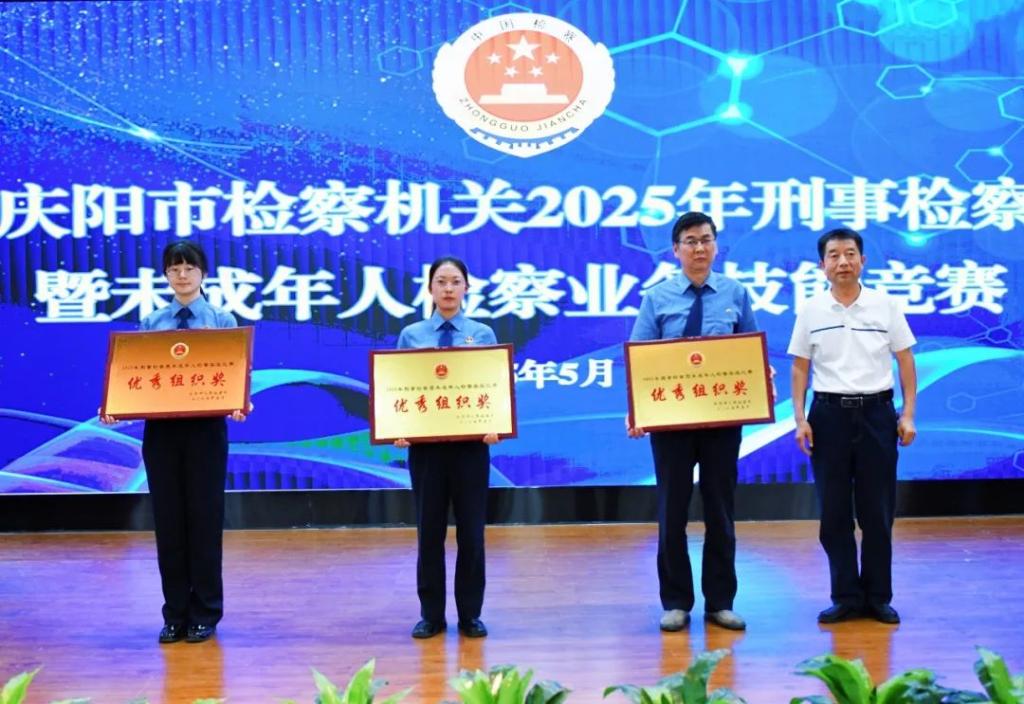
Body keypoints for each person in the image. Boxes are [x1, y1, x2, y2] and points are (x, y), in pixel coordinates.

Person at [101, 241, 249, 644]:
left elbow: (236, 373)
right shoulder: (152, 321)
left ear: (203, 273)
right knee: (168, 522)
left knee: (204, 520)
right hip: (162, 433)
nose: (182, 276)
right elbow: (135, 377)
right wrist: (115, 406)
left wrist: (239, 401)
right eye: (174, 269)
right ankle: (175, 614)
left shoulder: (221, 319)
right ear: (165, 275)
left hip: (206, 432)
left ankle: (206, 612)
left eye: (189, 268)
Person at [627, 211, 759, 632]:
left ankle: (720, 602)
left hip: (722, 422)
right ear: (676, 250)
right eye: (690, 241)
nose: (699, 248)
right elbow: (639, 358)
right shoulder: (657, 297)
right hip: (671, 424)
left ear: (716, 246)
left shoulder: (736, 293)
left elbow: (750, 350)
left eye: (706, 240)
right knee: (672, 511)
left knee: (720, 510)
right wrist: (637, 410)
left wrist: (761, 377)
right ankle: (676, 601)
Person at [788, 228, 917, 625]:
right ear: (822, 264)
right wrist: (799, 419)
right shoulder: (811, 310)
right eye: (834, 255)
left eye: (849, 253)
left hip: (878, 414)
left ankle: (877, 597)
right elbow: (800, 367)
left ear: (863, 260)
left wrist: (908, 414)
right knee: (834, 512)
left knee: (877, 512)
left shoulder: (885, 305)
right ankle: (845, 596)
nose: (842, 261)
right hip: (828, 416)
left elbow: (906, 361)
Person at [394, 255, 500, 639]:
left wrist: (495, 423)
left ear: (467, 287)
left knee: (472, 533)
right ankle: (431, 615)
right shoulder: (412, 335)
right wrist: (398, 426)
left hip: (471, 448)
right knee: (429, 533)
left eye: (456, 281)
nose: (449, 289)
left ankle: (470, 614)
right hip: (427, 450)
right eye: (441, 281)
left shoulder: (482, 334)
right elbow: (398, 387)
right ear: (430, 288)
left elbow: (494, 387)